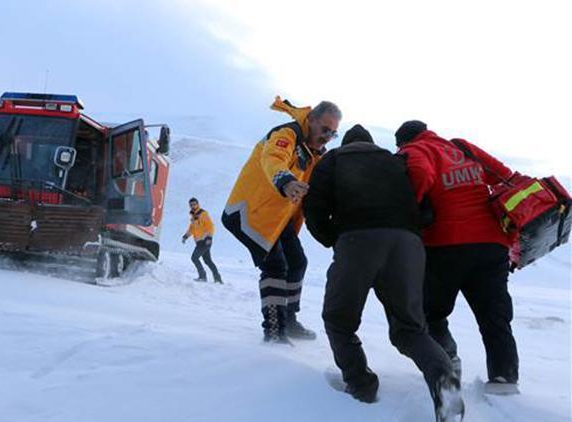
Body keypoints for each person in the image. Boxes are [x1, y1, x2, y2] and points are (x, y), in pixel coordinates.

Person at [303, 125, 463, 420]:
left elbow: (312, 206)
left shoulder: (334, 159)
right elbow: (426, 209)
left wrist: (334, 238)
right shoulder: (396, 160)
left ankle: (361, 384)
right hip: (408, 244)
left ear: (348, 144)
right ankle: (444, 380)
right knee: (410, 328)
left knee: (339, 320)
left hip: (358, 241)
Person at [396, 120, 520, 395]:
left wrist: (411, 210)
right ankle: (504, 380)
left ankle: (447, 364)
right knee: (494, 315)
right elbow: (504, 175)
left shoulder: (416, 149)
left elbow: (419, 172)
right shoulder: (462, 147)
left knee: (432, 312)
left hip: (446, 244)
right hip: (492, 244)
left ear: (403, 142)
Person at [222, 96, 341, 343]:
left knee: (297, 261)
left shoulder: (313, 153)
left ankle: (289, 319)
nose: (328, 136)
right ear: (311, 120)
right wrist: (285, 182)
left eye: (333, 133)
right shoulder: (287, 134)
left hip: (276, 218)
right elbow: (273, 158)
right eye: (325, 129)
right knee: (275, 266)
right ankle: (275, 331)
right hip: (249, 212)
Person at [182, 198, 222, 283]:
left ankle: (202, 276)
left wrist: (209, 238)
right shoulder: (193, 217)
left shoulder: (203, 214)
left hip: (205, 241)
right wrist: (185, 236)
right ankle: (218, 278)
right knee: (207, 260)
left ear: (198, 204)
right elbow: (192, 229)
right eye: (191, 205)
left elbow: (210, 226)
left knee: (194, 258)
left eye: (194, 204)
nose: (193, 206)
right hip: (199, 242)